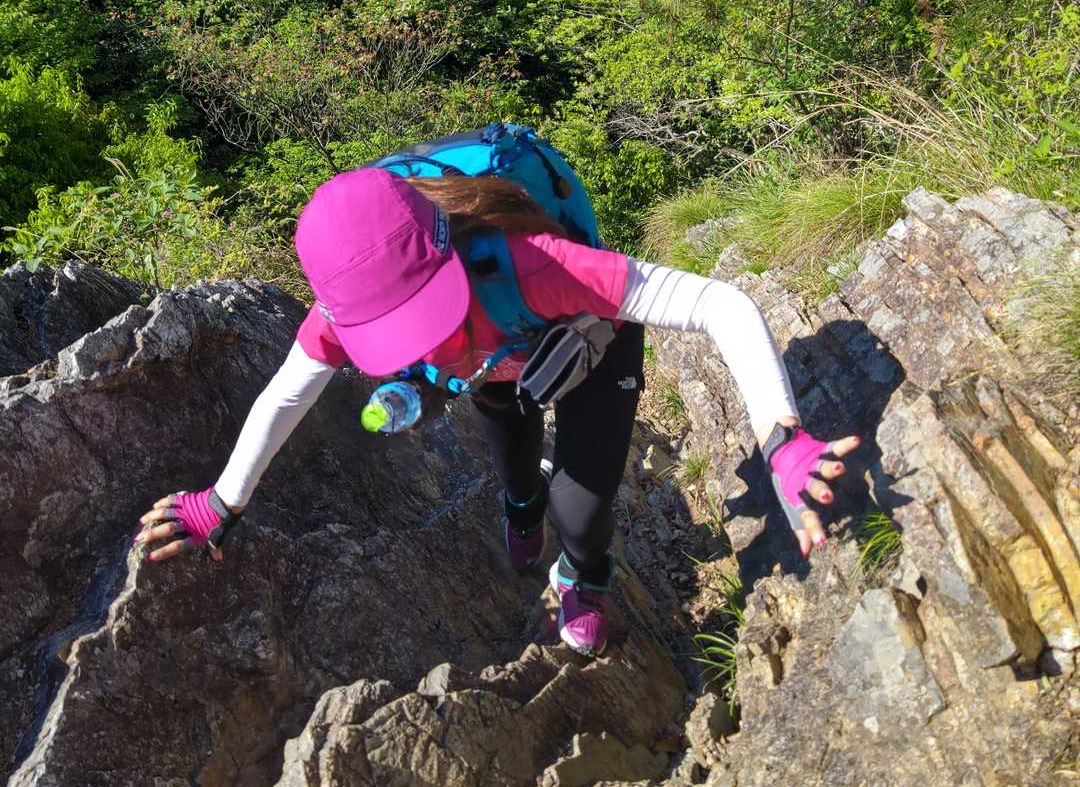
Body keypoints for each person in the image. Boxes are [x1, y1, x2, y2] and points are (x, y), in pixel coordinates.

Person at [137, 166, 859, 656]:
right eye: (395, 332)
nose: (423, 344)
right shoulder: (344, 306)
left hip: (588, 346)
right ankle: (521, 505)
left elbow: (718, 303)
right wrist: (223, 503)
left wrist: (781, 440)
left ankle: (583, 577)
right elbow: (288, 392)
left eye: (426, 314)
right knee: (513, 468)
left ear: (447, 263)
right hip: (494, 370)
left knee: (580, 509)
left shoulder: (535, 264)